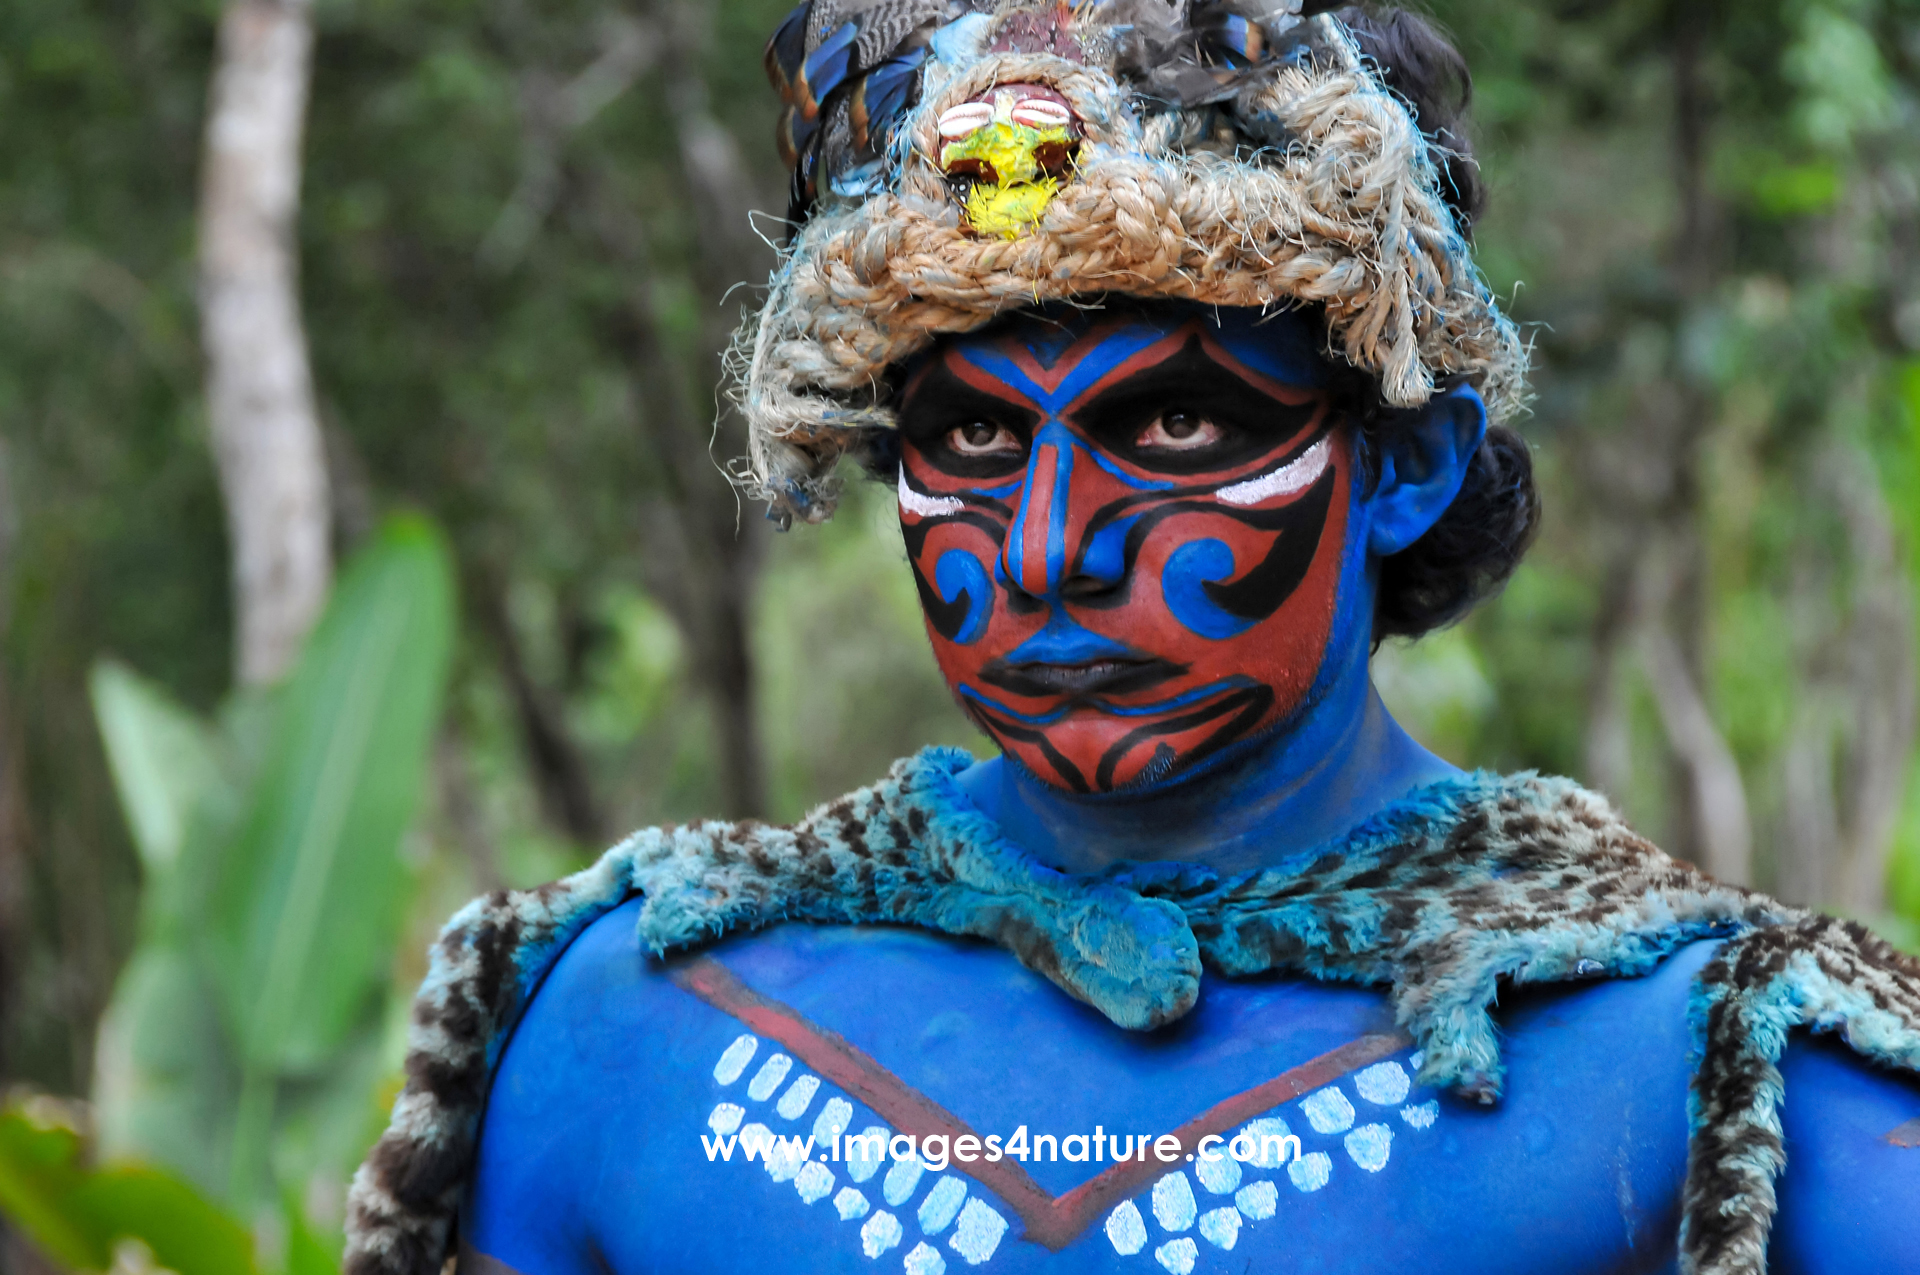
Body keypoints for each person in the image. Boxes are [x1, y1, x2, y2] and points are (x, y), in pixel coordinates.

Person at [344, 4, 1920, 1273]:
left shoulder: (1714, 1069)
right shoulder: (619, 1031)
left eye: (1171, 423)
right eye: (964, 443)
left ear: (1404, 461)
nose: (1049, 550)